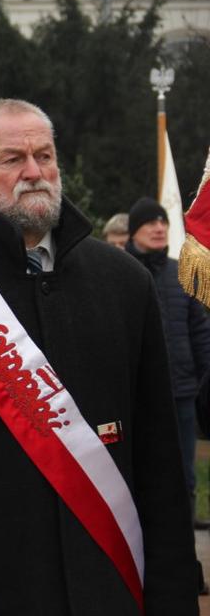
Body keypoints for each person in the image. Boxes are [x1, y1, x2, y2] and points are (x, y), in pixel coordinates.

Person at [0, 99, 199, 616]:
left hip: (111, 600)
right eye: (12, 159)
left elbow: (160, 459)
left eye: (44, 155)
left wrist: (171, 607)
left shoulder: (125, 281)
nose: (34, 172)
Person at [125, 197, 210, 531]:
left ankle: (187, 545)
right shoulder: (121, 273)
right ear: (134, 232)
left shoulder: (183, 273)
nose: (159, 228)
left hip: (183, 391)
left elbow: (201, 333)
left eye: (163, 222)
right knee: (145, 470)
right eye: (150, 223)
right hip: (138, 397)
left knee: (185, 471)